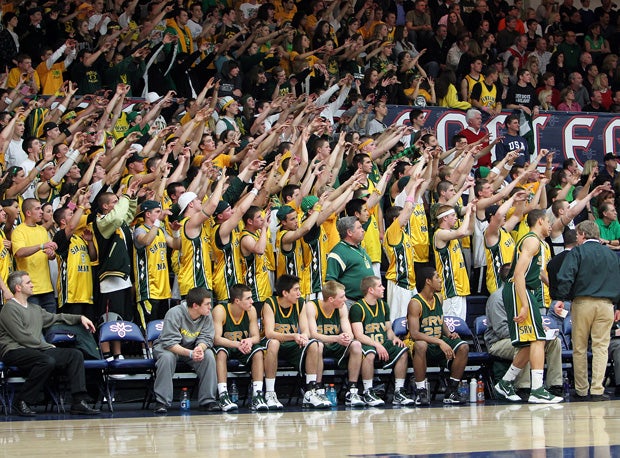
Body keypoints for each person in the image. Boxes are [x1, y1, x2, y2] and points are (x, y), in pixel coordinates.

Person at [0, 270, 100, 416]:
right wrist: (45, 346)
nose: (32, 285)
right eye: (28, 283)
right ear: (18, 288)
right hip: (14, 350)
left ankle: (79, 401)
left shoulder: (35, 309)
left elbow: (56, 317)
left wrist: (80, 318)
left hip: (36, 350)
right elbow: (22, 337)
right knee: (46, 361)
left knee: (74, 355)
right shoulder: (9, 309)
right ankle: (21, 401)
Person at [494, 209, 563, 404]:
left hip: (522, 290)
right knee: (538, 339)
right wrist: (524, 305)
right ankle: (538, 390)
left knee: (528, 343)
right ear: (540, 221)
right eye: (548, 222)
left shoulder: (539, 244)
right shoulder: (532, 241)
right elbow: (518, 275)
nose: (551, 225)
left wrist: (557, 292)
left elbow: (539, 272)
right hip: (518, 290)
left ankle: (505, 383)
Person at [556, 221, 620, 400]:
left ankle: (582, 390)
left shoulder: (577, 252)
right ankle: (598, 390)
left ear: (583, 234)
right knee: (601, 348)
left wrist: (561, 297)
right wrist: (618, 306)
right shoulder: (612, 254)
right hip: (607, 305)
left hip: (583, 303)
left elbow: (565, 276)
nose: (576, 238)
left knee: (580, 347)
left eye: (577, 235)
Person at [485, 263, 564, 398]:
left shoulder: (525, 295)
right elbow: (501, 330)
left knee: (554, 341)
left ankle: (555, 385)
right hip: (498, 343)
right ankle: (524, 387)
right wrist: (529, 332)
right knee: (526, 342)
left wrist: (540, 329)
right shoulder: (497, 298)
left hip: (521, 336)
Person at [262, 274, 330, 409]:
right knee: (274, 343)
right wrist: (293, 336)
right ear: (285, 293)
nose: (299, 293)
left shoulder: (300, 303)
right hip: (272, 345)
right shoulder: (270, 303)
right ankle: (270, 393)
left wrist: (303, 336)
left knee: (313, 344)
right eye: (296, 290)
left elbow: (306, 330)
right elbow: (269, 333)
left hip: (292, 344)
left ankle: (310, 391)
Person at [407, 267, 469, 405]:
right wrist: (440, 342)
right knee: (420, 345)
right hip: (421, 346)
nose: (441, 280)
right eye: (437, 277)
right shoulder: (415, 303)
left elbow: (440, 320)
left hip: (438, 342)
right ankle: (421, 391)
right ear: (428, 281)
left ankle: (451, 390)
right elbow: (415, 334)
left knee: (463, 347)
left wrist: (448, 334)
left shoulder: (439, 298)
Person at [350, 275, 415, 407]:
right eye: (380, 286)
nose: (383, 288)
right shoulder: (357, 308)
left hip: (381, 343)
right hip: (366, 343)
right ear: (370, 290)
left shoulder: (384, 306)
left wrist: (395, 338)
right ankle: (368, 391)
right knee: (370, 354)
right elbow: (358, 335)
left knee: (402, 351)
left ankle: (398, 392)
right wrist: (377, 345)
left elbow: (388, 330)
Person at [152, 287, 219, 414]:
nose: (210, 307)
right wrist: (190, 353)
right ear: (195, 305)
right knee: (167, 358)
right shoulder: (174, 313)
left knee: (209, 355)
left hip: (192, 349)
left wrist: (200, 348)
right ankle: (161, 402)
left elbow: (207, 338)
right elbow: (169, 342)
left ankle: (208, 400)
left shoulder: (206, 315)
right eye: (207, 304)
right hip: (168, 348)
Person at [305, 280, 365, 407]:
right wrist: (336, 338)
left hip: (336, 343)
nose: (346, 299)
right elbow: (312, 334)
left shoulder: (342, 307)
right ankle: (318, 388)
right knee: (318, 345)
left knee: (356, 345)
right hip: (320, 345)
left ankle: (352, 390)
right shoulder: (312, 306)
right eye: (342, 297)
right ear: (331, 299)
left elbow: (350, 333)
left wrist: (346, 337)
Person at [212, 283, 269, 411]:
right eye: (248, 298)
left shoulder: (251, 311)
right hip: (227, 346)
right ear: (237, 301)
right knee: (220, 353)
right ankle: (223, 395)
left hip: (243, 346)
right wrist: (238, 344)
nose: (252, 301)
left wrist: (249, 341)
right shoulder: (220, 310)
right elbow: (216, 339)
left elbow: (256, 337)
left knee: (258, 352)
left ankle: (257, 395)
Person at [11, 198, 57, 313]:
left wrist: (51, 254)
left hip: (47, 288)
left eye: (41, 209)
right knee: (34, 327)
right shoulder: (19, 231)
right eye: (37, 209)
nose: (41, 212)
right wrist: (41, 246)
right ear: (28, 213)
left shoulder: (42, 230)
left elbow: (50, 256)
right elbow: (19, 252)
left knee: (52, 325)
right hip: (29, 290)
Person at [325, 216, 374, 302]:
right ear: (349, 232)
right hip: (349, 302)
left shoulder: (360, 248)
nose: (363, 230)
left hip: (366, 301)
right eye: (359, 228)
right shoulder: (338, 252)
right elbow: (331, 282)